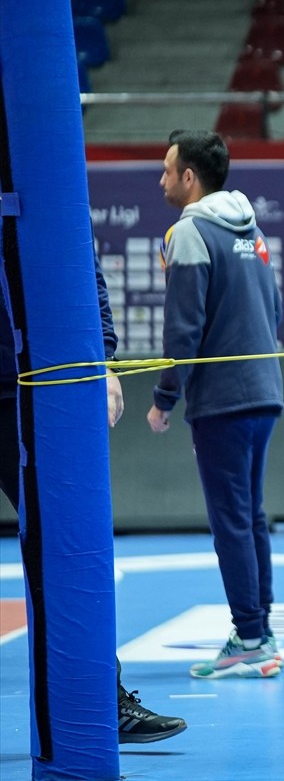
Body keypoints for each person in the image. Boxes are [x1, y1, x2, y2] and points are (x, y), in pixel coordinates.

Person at [1, 253, 188, 743]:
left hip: (28, 388)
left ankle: (103, 700)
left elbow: (84, 270)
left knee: (66, 547)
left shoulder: (35, 181)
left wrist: (104, 361)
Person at [147, 129, 284, 680]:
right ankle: (260, 629)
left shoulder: (188, 233)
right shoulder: (252, 230)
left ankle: (250, 635)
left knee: (231, 520)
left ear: (189, 177)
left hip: (223, 402)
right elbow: (271, 309)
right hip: (265, 392)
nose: (160, 181)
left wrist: (163, 398)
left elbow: (183, 328)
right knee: (249, 516)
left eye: (166, 170)